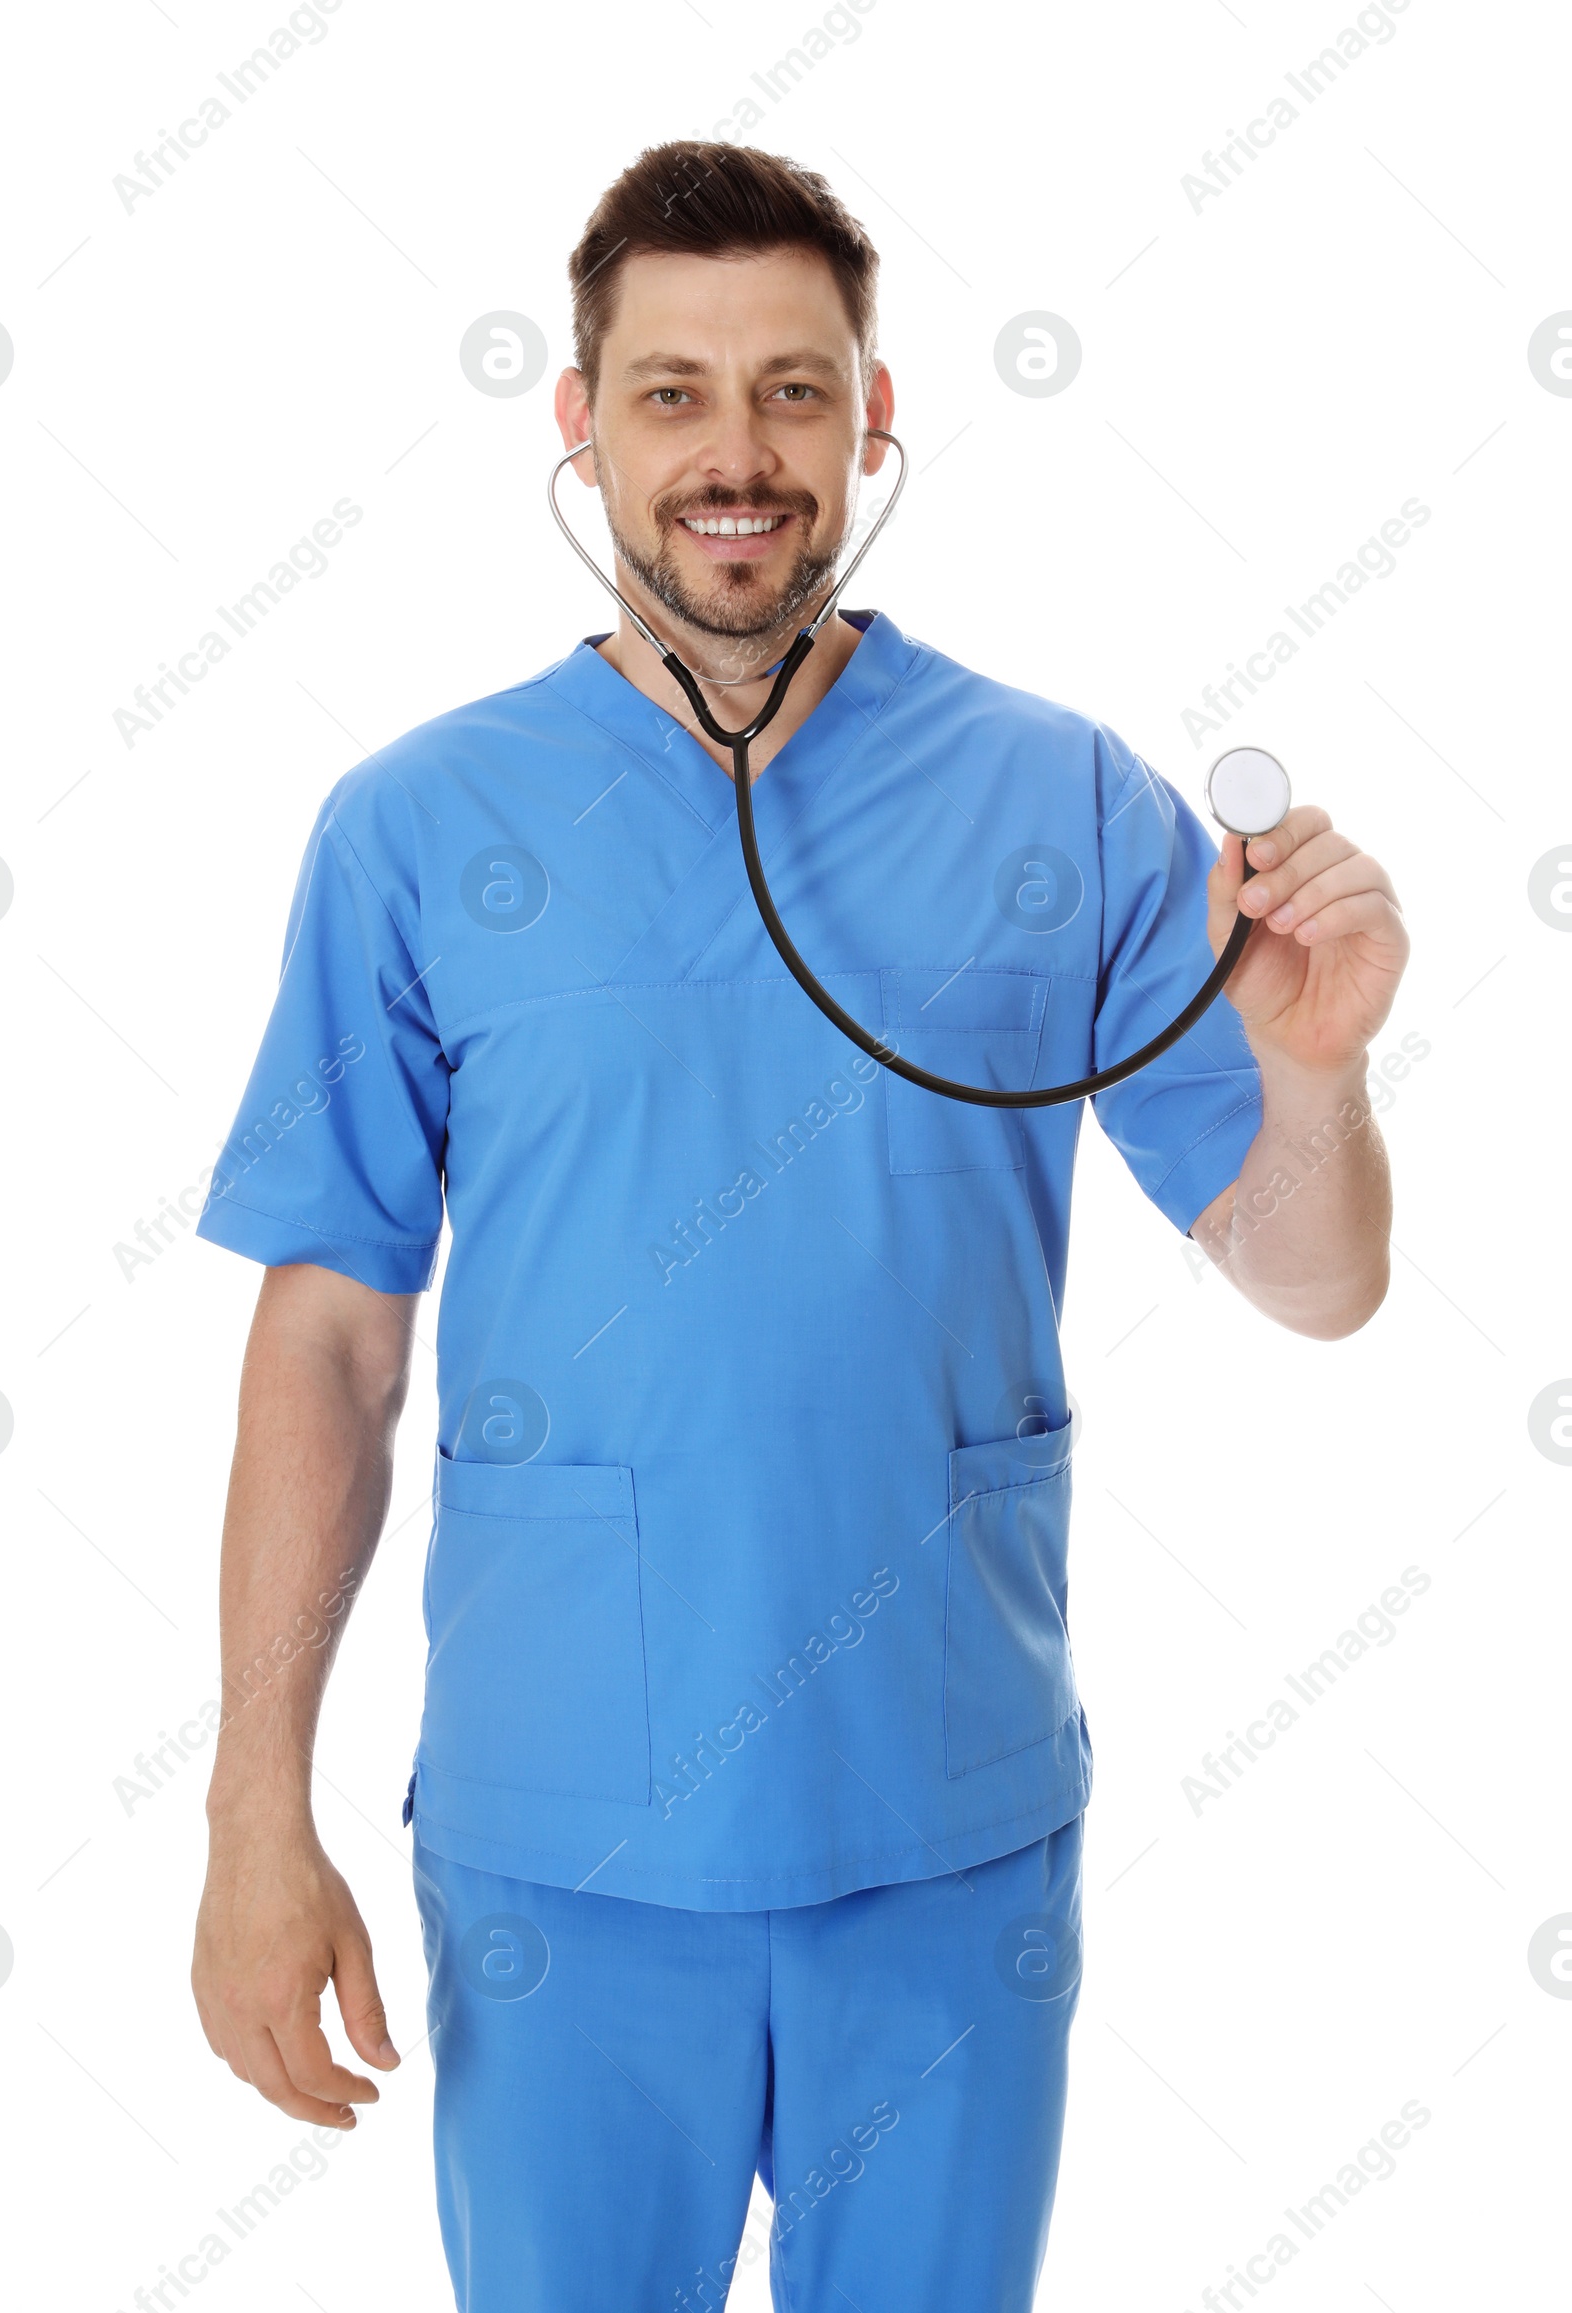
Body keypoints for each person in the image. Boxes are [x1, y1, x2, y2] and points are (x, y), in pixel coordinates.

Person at [190, 141, 1407, 2313]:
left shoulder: (1064, 803)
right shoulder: (414, 827)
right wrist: (246, 1816)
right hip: (561, 1843)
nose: (732, 455)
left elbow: (1312, 1280)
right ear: (578, 420)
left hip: (940, 1833)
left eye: (788, 390)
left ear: (870, 413)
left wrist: (1311, 1073)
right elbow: (330, 1343)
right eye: (670, 393)